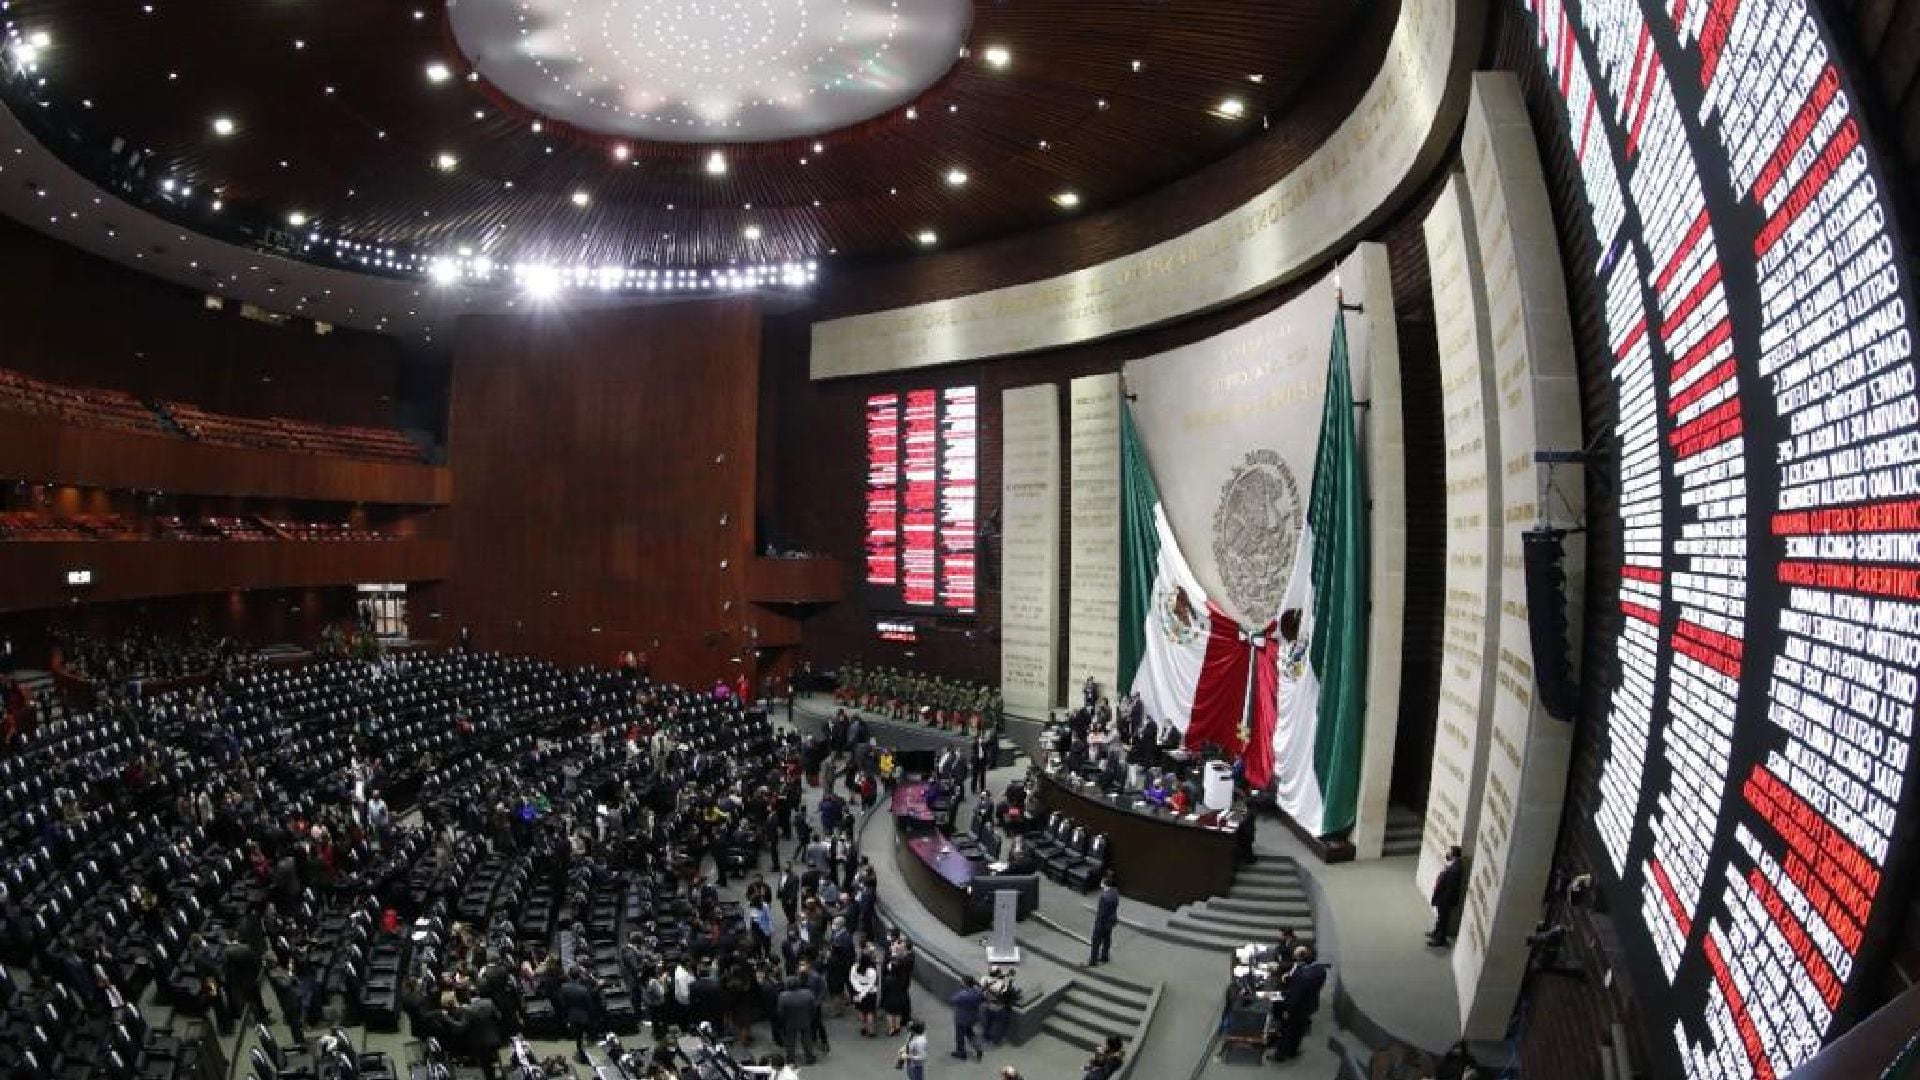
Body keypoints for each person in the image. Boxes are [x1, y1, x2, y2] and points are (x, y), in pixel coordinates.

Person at [1270, 946, 1327, 1061]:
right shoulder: (1320, 969)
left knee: (1286, 1030)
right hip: (1310, 1005)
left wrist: (1287, 1010)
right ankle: (1292, 1052)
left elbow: (1296, 995)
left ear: (1302, 959)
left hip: (1296, 1008)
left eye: (1297, 958)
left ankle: (1279, 1056)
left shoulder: (1302, 975)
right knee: (1298, 1031)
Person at [776, 977, 818, 1065]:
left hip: (790, 1021)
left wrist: (783, 1021)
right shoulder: (808, 993)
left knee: (790, 1041)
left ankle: (790, 1059)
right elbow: (813, 1008)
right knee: (806, 1039)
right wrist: (811, 1017)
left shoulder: (783, 996)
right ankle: (809, 1057)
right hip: (805, 1019)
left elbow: (780, 1012)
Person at [1429, 846, 1465, 947]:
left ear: (1453, 854)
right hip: (1443, 897)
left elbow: (1451, 888)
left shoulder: (1455, 869)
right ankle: (1436, 933)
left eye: (1449, 852)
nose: (1447, 853)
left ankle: (1440, 940)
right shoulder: (1454, 865)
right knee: (1441, 918)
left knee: (1443, 920)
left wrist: (1443, 900)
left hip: (1445, 899)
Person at [949, 975, 986, 1060]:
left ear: (966, 984)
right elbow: (983, 999)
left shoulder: (962, 995)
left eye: (962, 982)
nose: (961, 983)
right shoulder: (978, 992)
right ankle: (978, 1049)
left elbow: (953, 1000)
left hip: (961, 1019)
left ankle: (961, 1053)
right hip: (973, 1017)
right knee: (970, 1034)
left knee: (960, 1037)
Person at [1090, 874, 1119, 965]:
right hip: (1110, 921)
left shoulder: (1105, 897)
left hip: (1102, 922)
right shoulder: (1115, 892)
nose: (1100, 884)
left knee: (1096, 940)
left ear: (1105, 884)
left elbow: (1102, 913)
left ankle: (1093, 961)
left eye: (1102, 882)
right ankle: (1104, 956)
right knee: (1107, 939)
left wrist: (1098, 924)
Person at [849, 953, 880, 1037]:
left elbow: (852, 979)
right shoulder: (871, 971)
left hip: (857, 992)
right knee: (870, 1012)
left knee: (861, 1010)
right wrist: (863, 992)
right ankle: (871, 1031)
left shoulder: (854, 967)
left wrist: (859, 990)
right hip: (870, 993)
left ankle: (863, 1027)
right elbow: (870, 985)